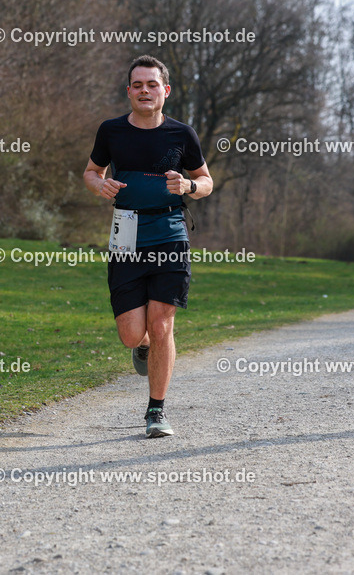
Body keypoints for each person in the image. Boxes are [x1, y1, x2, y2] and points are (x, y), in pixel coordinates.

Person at [84, 55, 213, 437]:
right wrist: (99, 185)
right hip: (126, 234)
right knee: (131, 333)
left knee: (162, 324)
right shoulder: (111, 131)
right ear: (129, 92)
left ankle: (156, 410)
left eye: (152, 84)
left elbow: (205, 180)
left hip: (170, 231)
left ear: (165, 91)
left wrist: (189, 187)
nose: (145, 90)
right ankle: (142, 347)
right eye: (138, 85)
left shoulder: (182, 134)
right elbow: (92, 172)